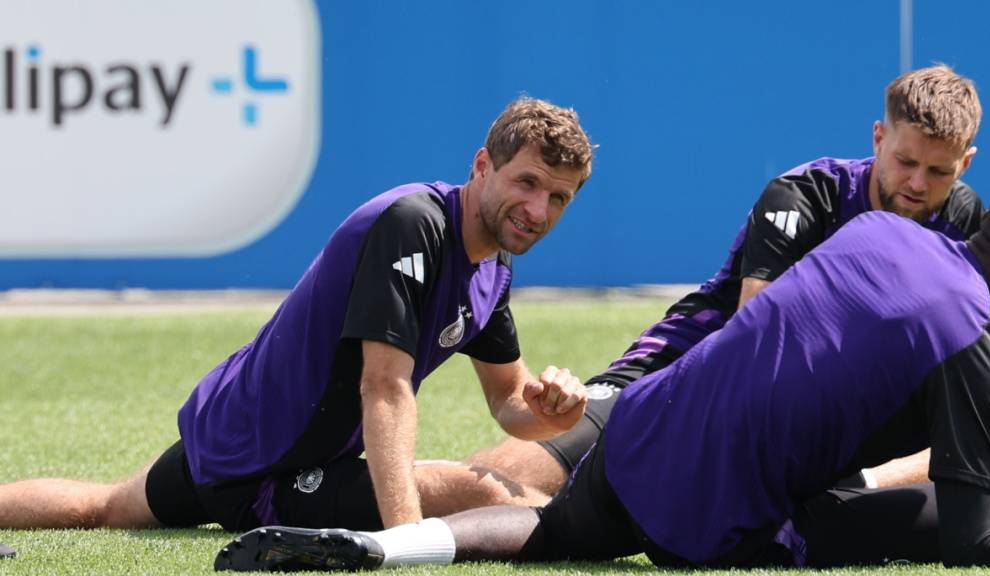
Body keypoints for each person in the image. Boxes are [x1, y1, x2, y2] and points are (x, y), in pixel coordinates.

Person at [215, 171, 990, 571]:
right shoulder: (969, 332)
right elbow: (971, 537)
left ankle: (388, 549)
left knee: (557, 531)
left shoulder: (882, 234)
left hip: (644, 427)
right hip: (717, 522)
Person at [0, 97, 594, 532]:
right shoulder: (414, 224)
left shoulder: (492, 268)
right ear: (483, 166)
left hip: (229, 436)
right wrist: (409, 543)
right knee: (479, 493)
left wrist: (552, 412)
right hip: (257, 466)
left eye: (558, 197)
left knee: (105, 508)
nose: (538, 209)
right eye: (528, 182)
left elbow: (509, 400)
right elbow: (383, 385)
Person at [466, 63, 990, 499]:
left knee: (961, 433)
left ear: (966, 165)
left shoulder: (967, 222)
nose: (917, 184)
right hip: (690, 363)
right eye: (905, 162)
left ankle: (848, 486)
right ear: (878, 137)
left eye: (939, 172)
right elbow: (757, 340)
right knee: (532, 475)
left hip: (822, 413)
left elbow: (988, 378)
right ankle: (399, 511)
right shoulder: (806, 196)